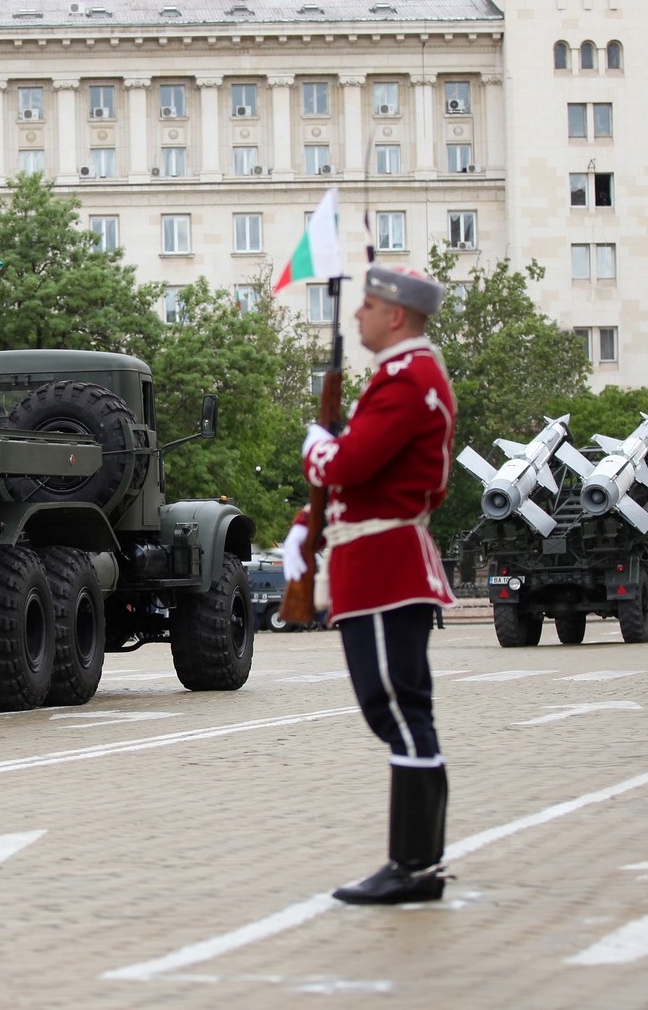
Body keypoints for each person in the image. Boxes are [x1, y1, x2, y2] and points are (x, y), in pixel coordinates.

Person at [280, 264, 458, 905]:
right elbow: (365, 481)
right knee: (399, 711)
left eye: (368, 305)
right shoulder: (403, 377)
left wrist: (316, 449)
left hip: (385, 566)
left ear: (397, 316)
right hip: (376, 559)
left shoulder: (408, 379)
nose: (356, 315)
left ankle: (413, 865)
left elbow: (350, 463)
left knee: (398, 711)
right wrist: (309, 522)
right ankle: (417, 863)